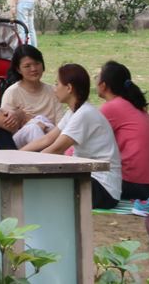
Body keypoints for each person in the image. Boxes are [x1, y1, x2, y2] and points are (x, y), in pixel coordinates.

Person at [22, 64, 123, 210]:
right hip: (90, 179)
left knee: (41, 187)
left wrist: (24, 167)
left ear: (69, 88)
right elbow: (47, 139)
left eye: (57, 84)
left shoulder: (84, 114)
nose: (54, 88)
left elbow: (56, 149)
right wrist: (16, 154)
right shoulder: (74, 112)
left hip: (103, 188)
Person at [97, 61, 149, 201]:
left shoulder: (112, 107)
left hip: (132, 184)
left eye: (97, 77)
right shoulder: (133, 104)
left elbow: (84, 139)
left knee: (77, 182)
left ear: (104, 85)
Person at [0, 45, 63, 147]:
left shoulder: (53, 91)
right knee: (33, 128)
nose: (33, 69)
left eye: (37, 63)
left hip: (50, 137)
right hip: (21, 144)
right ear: (18, 69)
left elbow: (61, 124)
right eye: (27, 66)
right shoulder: (12, 93)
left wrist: (44, 127)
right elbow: (7, 126)